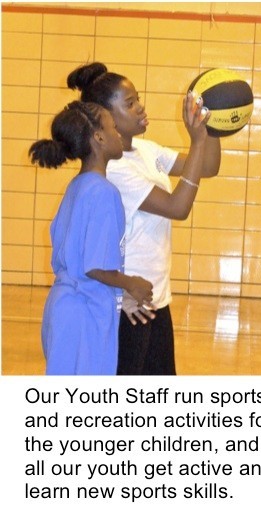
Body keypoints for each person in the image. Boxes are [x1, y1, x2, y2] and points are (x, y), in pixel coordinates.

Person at [67, 63, 221, 375]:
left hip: (156, 296)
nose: (140, 107)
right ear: (106, 117)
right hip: (129, 299)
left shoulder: (145, 150)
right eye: (130, 103)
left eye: (138, 99)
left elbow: (206, 166)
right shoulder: (115, 168)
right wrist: (197, 141)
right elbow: (178, 207)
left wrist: (212, 127)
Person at [28, 100, 153, 375]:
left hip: (65, 311)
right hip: (83, 315)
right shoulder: (104, 192)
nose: (119, 132)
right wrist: (131, 283)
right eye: (112, 127)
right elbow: (94, 266)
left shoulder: (77, 186)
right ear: (98, 137)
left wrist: (121, 294)